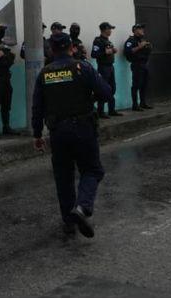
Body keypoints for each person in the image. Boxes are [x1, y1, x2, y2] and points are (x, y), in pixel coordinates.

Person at [32, 32, 112, 238]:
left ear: (52, 50)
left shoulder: (44, 74)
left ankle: (69, 222)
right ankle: (82, 208)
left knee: (63, 176)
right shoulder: (82, 67)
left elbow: (37, 107)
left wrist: (37, 134)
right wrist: (91, 97)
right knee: (92, 170)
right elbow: (106, 92)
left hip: (57, 132)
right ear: (71, 48)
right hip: (83, 127)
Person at [91, 22, 121, 118]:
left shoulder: (108, 41)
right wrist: (105, 52)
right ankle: (101, 111)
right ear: (104, 29)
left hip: (110, 67)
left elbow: (109, 52)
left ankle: (112, 110)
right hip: (103, 67)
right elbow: (93, 54)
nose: (111, 31)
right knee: (103, 89)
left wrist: (113, 51)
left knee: (112, 88)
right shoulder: (98, 41)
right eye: (109, 29)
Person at [124, 23, 153, 111]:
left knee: (144, 85)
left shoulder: (143, 40)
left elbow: (147, 51)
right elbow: (127, 52)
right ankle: (135, 105)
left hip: (144, 64)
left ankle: (143, 103)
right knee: (136, 85)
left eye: (142, 28)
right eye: (140, 29)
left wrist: (149, 47)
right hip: (137, 65)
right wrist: (139, 47)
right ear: (135, 30)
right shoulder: (130, 41)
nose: (142, 30)